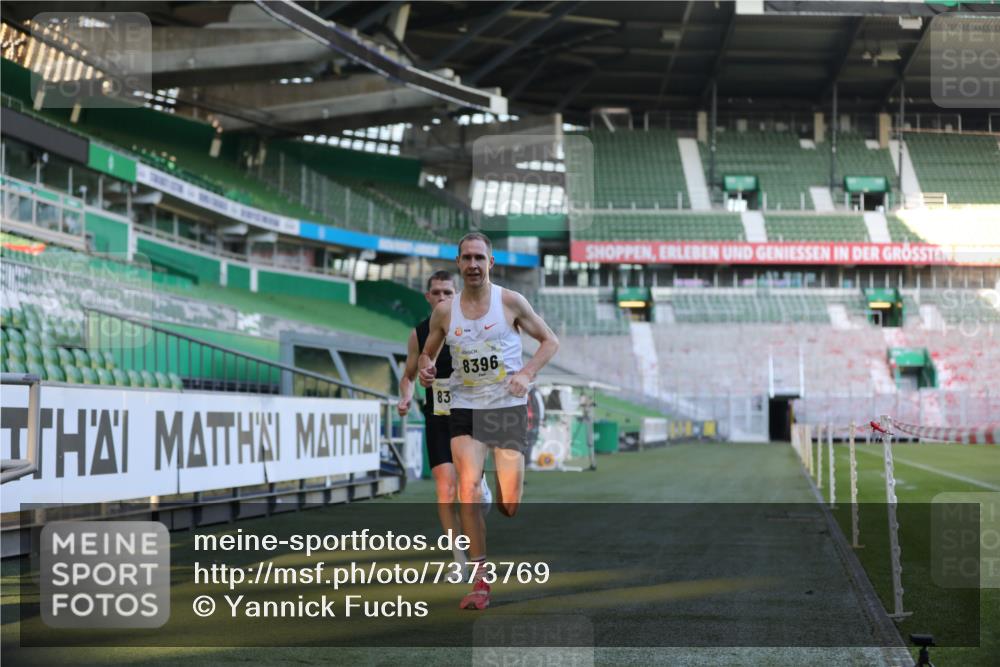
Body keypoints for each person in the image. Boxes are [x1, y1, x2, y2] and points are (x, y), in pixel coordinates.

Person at [418, 232, 559, 610]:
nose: (473, 264)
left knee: (508, 504)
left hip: (506, 407)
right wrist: (426, 370)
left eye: (480, 257)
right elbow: (427, 355)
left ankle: (495, 490)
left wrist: (527, 373)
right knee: (466, 486)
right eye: (466, 258)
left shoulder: (510, 302)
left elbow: (549, 341)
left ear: (491, 263)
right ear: (460, 263)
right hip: (465, 407)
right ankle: (480, 583)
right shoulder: (446, 312)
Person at [398, 270, 490, 572]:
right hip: (437, 417)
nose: (441, 298)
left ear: (456, 294)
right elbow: (408, 376)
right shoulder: (419, 334)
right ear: (428, 297)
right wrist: (406, 397)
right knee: (446, 490)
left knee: (469, 491)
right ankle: (459, 559)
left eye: (447, 293)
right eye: (436, 293)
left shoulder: (473, 329)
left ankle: (480, 487)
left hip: (470, 416)